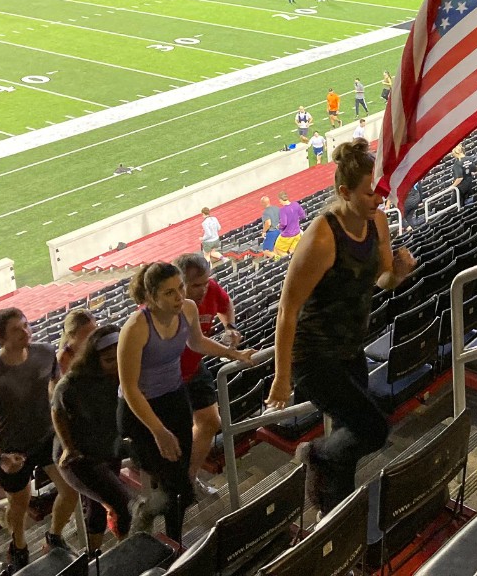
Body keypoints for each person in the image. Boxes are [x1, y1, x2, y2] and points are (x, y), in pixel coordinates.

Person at [266, 140, 416, 516]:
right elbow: (288, 309)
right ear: (343, 192)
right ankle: (314, 455)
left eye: (380, 192)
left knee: (348, 442)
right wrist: (281, 377)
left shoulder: (375, 220)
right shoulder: (321, 236)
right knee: (372, 429)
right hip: (314, 355)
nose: (378, 201)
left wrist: (397, 274)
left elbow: (380, 280)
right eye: (370, 194)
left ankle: (333, 515)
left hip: (351, 347)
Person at [117, 263, 253, 542]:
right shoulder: (135, 328)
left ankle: (174, 540)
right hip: (141, 409)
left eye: (180, 288)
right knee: (167, 481)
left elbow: (197, 343)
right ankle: (147, 514)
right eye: (169, 293)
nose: (179, 297)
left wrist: (233, 354)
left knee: (179, 484)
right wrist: (159, 431)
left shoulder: (188, 309)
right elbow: (130, 389)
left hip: (174, 396)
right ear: (152, 297)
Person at [0, 307, 78, 571]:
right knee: (19, 503)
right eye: (16, 329)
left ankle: (55, 536)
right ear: (1, 339)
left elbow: (57, 387)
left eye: (25, 324)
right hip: (10, 449)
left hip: (46, 437)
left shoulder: (45, 353)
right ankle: (19, 543)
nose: (25, 331)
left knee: (71, 489)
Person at [52, 326, 130, 549]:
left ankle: (93, 556)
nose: (115, 364)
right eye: (108, 360)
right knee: (121, 502)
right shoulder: (73, 383)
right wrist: (68, 447)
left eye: (118, 357)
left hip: (107, 446)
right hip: (80, 456)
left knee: (98, 507)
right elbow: (57, 411)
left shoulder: (127, 370)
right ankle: (128, 550)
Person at [176, 254, 239, 500]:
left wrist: (230, 327)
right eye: (196, 285)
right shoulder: (166, 306)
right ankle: (176, 483)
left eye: (206, 282)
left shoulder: (210, 289)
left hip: (194, 367)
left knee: (211, 422)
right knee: (175, 437)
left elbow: (225, 304)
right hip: (167, 378)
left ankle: (189, 479)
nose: (204, 289)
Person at [56, 308, 96, 374]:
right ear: (72, 335)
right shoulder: (62, 360)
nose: (93, 337)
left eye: (94, 331)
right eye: (87, 334)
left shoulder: (95, 348)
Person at [273, 191, 307, 258]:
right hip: (297, 233)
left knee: (278, 249)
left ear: (280, 200)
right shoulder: (296, 204)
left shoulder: (283, 210)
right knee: (292, 250)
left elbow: (284, 223)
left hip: (287, 235)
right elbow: (303, 215)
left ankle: (284, 262)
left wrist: (279, 226)